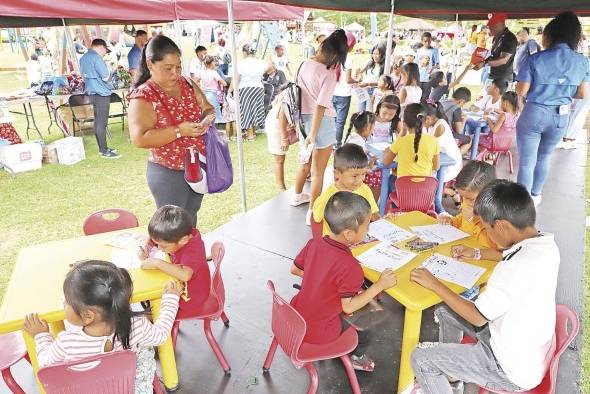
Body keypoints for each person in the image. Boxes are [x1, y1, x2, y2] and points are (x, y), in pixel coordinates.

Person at [411, 180, 559, 393]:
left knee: (421, 358)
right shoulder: (544, 245)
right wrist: (478, 253)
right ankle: (452, 379)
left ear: (500, 226)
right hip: (526, 346)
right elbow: (507, 254)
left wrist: (435, 284)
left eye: (487, 229)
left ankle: (441, 376)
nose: (488, 234)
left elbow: (478, 317)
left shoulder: (513, 268)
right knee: (444, 309)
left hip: (508, 368)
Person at [23, 260, 181, 394]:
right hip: (126, 387)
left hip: (87, 389)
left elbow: (45, 364)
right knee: (145, 350)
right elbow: (160, 334)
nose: (63, 303)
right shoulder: (136, 326)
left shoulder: (66, 343)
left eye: (67, 301)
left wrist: (41, 336)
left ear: (88, 315)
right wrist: (171, 299)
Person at [291, 191, 397, 371]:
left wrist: (319, 280)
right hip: (319, 331)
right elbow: (348, 307)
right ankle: (355, 358)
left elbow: (294, 269)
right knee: (367, 329)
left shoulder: (314, 243)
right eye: (367, 227)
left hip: (297, 316)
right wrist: (379, 285)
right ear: (349, 234)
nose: (368, 230)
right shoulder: (350, 267)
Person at [128, 35, 216, 226]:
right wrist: (179, 130)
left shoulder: (186, 84)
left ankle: (191, 255)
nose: (175, 73)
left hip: (196, 166)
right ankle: (176, 257)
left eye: (178, 67)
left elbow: (208, 109)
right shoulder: (144, 95)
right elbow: (139, 139)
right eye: (168, 68)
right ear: (150, 64)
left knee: (191, 219)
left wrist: (206, 121)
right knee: (173, 228)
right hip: (168, 172)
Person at [515, 11, 590, 206]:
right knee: (544, 157)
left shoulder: (535, 59)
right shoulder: (583, 61)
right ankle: (536, 195)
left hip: (535, 112)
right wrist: (561, 90)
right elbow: (582, 94)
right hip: (560, 116)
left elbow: (522, 91)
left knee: (526, 161)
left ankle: (522, 203)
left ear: (551, 33)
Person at [291, 30, 348, 226]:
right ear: (335, 55)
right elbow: (321, 106)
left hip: (302, 120)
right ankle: (312, 213)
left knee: (304, 164)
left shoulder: (303, 64)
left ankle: (296, 196)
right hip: (321, 123)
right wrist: (313, 135)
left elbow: (297, 95)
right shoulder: (329, 73)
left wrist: (307, 134)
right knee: (318, 172)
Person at [140, 205, 210, 319]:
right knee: (149, 294)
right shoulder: (178, 234)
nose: (159, 248)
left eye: (164, 246)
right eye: (157, 244)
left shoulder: (193, 249)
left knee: (152, 299)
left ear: (183, 240)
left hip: (191, 296)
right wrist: (146, 248)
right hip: (181, 285)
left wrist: (157, 263)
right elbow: (155, 238)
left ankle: (156, 328)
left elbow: (185, 275)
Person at [312, 143, 379, 233]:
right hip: (335, 243)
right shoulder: (329, 196)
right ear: (337, 174)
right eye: (354, 176)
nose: (360, 180)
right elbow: (316, 217)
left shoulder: (364, 189)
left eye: (363, 174)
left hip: (358, 238)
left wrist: (384, 221)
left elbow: (372, 213)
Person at [79, 38, 120, 159]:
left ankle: (102, 148)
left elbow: (83, 76)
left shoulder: (84, 58)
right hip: (101, 93)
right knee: (102, 123)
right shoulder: (97, 58)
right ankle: (104, 150)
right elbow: (106, 76)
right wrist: (111, 70)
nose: (105, 53)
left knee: (97, 121)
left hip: (91, 93)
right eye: (105, 50)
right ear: (101, 47)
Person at [383, 103, 440, 177]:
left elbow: (386, 162)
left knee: (391, 179)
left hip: (404, 187)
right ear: (425, 121)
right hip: (426, 187)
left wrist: (387, 151)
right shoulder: (433, 141)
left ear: (404, 124)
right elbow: (436, 167)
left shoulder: (401, 141)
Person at [233, 44, 267, 141]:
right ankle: (253, 131)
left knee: (246, 110)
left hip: (245, 87)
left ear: (244, 52)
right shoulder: (260, 62)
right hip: (259, 87)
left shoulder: (241, 63)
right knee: (256, 109)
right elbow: (266, 69)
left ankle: (250, 134)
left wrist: (231, 90)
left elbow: (237, 77)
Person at [423, 102, 462, 183]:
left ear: (428, 118)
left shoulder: (440, 126)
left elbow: (432, 149)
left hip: (449, 165)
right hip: (441, 159)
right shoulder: (430, 124)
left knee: (421, 174)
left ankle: (447, 191)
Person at [475, 13, 517, 89]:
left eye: (492, 26)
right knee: (487, 98)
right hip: (493, 75)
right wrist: (480, 60)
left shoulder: (510, 38)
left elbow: (503, 60)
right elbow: (493, 55)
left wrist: (484, 63)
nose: (490, 28)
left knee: (499, 100)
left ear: (500, 24)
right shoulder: (497, 37)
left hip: (503, 79)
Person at [333, 31, 359, 148]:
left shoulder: (334, 54)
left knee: (333, 120)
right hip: (344, 94)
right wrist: (357, 80)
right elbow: (348, 80)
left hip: (332, 92)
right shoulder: (348, 58)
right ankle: (337, 143)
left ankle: (332, 141)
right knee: (340, 122)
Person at [478, 91, 519, 155]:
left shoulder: (503, 116)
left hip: (493, 143)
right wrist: (494, 109)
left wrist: (488, 119)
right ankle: (487, 155)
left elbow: (494, 130)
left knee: (473, 137)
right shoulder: (517, 114)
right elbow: (505, 115)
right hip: (506, 144)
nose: (500, 104)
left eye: (501, 102)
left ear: (505, 103)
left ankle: (481, 155)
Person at [440, 87, 472, 152]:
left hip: (434, 132)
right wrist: (464, 120)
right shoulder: (456, 108)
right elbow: (459, 131)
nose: (462, 106)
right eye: (464, 103)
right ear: (462, 101)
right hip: (445, 136)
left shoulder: (442, 101)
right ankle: (456, 158)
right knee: (469, 140)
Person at [356, 44, 386, 112]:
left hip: (374, 92)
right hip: (363, 90)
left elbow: (382, 83)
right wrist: (360, 76)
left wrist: (367, 83)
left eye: (377, 54)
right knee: (360, 112)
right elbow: (360, 72)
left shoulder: (384, 66)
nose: (375, 56)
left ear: (382, 55)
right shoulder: (370, 62)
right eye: (373, 53)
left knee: (369, 114)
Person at [199, 55, 227, 124]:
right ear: (211, 63)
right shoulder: (214, 73)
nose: (215, 63)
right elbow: (224, 83)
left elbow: (195, 80)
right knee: (214, 115)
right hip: (212, 95)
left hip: (204, 96)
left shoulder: (201, 72)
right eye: (214, 61)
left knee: (207, 115)